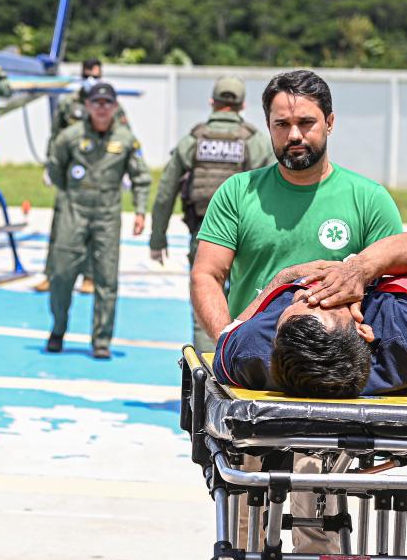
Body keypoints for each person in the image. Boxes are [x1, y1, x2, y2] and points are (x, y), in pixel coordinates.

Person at [190, 69, 403, 560]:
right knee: (246, 515)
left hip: (325, 390)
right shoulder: (239, 194)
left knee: (319, 521)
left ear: (330, 123)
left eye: (306, 122)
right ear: (267, 126)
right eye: (282, 124)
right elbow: (207, 273)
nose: (294, 135)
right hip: (255, 389)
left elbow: (398, 284)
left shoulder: (367, 200)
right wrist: (227, 339)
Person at [213, 232, 407, 397]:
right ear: (363, 331)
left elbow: (227, 334)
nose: (308, 292)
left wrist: (286, 278)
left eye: (302, 300)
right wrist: (359, 269)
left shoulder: (252, 352)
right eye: (324, 302)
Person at [149, 76, 273, 351]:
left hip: (205, 233)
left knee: (206, 297)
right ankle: (241, 361)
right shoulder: (256, 142)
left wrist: (157, 238)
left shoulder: (193, 140)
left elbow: (165, 192)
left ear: (212, 101)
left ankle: (207, 367)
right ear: (242, 105)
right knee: (248, 299)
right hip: (249, 236)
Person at [45, 81, 151, 359]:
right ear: (87, 105)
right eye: (96, 102)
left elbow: (140, 177)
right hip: (74, 212)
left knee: (106, 278)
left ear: (115, 106)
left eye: (107, 103)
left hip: (107, 215)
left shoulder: (126, 139)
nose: (101, 108)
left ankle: (101, 340)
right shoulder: (70, 136)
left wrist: (140, 210)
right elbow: (55, 168)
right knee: (61, 273)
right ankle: (58, 329)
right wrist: (69, 195)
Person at [34, 58, 129, 293]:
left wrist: (125, 170)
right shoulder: (68, 104)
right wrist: (50, 164)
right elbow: (55, 136)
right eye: (87, 75)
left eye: (96, 76)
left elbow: (124, 136)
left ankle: (89, 277)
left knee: (95, 229)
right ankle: (52, 274)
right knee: (60, 226)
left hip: (101, 175)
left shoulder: (111, 105)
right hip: (71, 177)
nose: (91, 80)